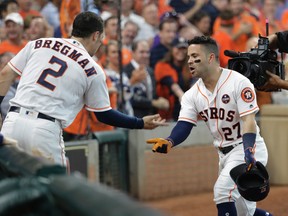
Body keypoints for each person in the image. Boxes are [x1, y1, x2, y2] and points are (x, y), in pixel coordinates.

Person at [0, 11, 167, 167]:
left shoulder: (38, 43)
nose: (100, 43)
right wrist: (139, 123)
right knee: (57, 190)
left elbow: (5, 75)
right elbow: (104, 114)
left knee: (9, 187)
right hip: (44, 130)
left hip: (12, 122)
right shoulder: (93, 69)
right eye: (101, 39)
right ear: (96, 35)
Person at [146, 36, 272, 216]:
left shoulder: (238, 82)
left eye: (194, 56)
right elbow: (184, 124)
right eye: (189, 56)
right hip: (223, 154)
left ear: (211, 57)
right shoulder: (192, 94)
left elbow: (249, 121)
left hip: (247, 148)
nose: (189, 61)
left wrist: (248, 150)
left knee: (222, 192)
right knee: (243, 212)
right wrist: (170, 141)